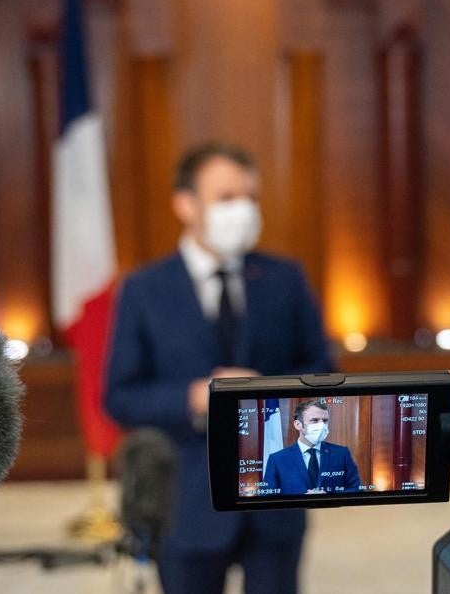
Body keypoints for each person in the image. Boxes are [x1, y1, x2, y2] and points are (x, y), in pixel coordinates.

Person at [104, 142, 333, 594]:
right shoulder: (144, 289)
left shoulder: (285, 278)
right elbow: (120, 395)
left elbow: (323, 369)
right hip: (187, 500)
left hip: (277, 494)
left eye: (250, 197)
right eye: (227, 197)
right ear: (185, 204)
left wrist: (268, 392)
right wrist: (194, 396)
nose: (243, 209)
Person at [262, 399, 361, 496]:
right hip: (296, 512)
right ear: (298, 425)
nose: (322, 425)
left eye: (325, 421)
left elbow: (356, 488)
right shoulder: (277, 459)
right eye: (314, 420)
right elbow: (268, 497)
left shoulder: (341, 454)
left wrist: (329, 498)